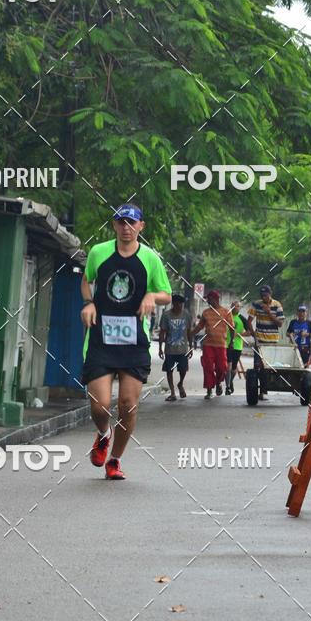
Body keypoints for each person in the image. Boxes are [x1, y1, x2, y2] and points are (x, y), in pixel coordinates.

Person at [81, 204, 172, 480]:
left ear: (141, 227)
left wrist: (151, 297)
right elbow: (87, 280)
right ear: (114, 225)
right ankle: (103, 433)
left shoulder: (150, 259)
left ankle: (115, 460)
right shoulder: (99, 252)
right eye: (121, 222)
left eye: (132, 223)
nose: (126, 227)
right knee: (99, 404)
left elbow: (166, 294)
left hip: (134, 342)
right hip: (101, 339)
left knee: (128, 405)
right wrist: (89, 302)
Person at [192, 290, 234, 400]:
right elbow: (200, 326)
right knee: (208, 367)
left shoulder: (226, 312)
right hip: (208, 345)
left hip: (221, 345)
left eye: (209, 299)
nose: (207, 301)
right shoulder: (205, 312)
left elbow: (231, 327)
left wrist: (232, 341)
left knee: (222, 367)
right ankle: (209, 390)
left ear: (215, 299)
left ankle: (219, 382)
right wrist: (191, 333)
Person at [246, 284, 284, 401]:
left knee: (268, 367)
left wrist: (269, 313)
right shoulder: (256, 304)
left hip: (272, 341)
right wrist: (253, 333)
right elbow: (249, 321)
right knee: (257, 366)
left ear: (270, 293)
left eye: (266, 295)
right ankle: (258, 391)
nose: (264, 297)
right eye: (262, 295)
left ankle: (263, 391)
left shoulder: (277, 305)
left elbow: (280, 323)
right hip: (260, 341)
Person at [158, 294, 193, 401]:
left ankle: (180, 383)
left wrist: (191, 346)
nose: (180, 305)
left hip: (183, 349)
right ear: (173, 303)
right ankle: (173, 392)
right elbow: (162, 332)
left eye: (181, 303)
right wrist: (160, 348)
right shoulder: (166, 315)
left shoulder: (186, 314)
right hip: (170, 349)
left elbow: (189, 331)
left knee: (183, 369)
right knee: (169, 370)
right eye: (178, 303)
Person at [225, 299, 250, 394]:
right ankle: (227, 387)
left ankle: (230, 382)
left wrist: (239, 334)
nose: (235, 308)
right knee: (228, 365)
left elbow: (249, 332)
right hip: (226, 345)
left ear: (240, 308)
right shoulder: (227, 316)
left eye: (237, 306)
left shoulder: (242, 319)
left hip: (237, 346)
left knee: (234, 368)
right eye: (234, 306)